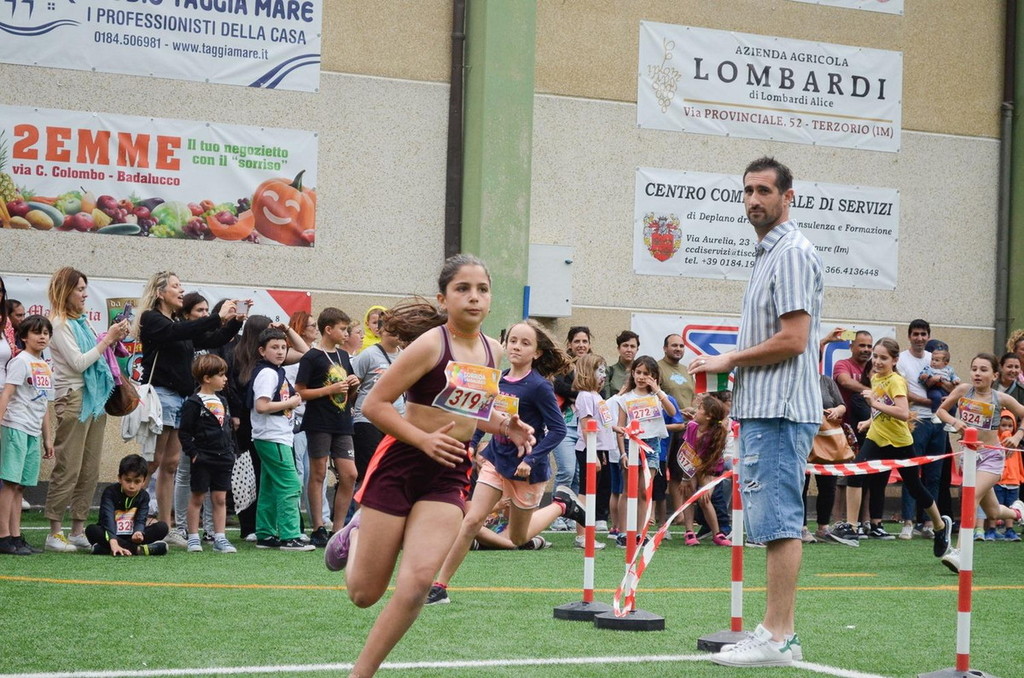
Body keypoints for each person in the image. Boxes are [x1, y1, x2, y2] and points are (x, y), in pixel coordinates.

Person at [323, 254, 535, 678]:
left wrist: (504, 426)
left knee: (419, 583)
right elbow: (375, 405)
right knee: (364, 594)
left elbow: (471, 410)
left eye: (482, 289)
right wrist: (422, 439)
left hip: (450, 469)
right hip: (402, 462)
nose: (474, 297)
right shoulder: (430, 345)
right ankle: (355, 532)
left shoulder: (493, 351)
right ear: (444, 298)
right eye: (463, 289)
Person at [690, 157, 821, 667]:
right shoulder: (770, 253)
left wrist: (729, 359)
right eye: (747, 191)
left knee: (781, 522)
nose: (753, 200)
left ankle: (778, 637)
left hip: (781, 410)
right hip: (767, 407)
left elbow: (794, 339)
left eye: (764, 190)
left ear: (788, 196)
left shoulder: (790, 253)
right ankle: (776, 633)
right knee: (773, 522)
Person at [427, 319, 575, 605]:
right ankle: (439, 586)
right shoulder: (496, 380)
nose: (516, 347)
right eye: (513, 341)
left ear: (537, 353)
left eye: (525, 343)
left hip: (526, 471)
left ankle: (561, 505)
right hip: (496, 460)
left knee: (516, 538)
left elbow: (557, 430)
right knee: (471, 521)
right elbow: (483, 414)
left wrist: (532, 458)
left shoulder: (539, 387)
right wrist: (472, 444)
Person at [135, 271, 244, 545]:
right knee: (154, 461)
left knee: (170, 464)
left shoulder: (176, 322)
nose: (181, 290)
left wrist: (235, 322)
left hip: (181, 398)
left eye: (181, 285)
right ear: (160, 292)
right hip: (162, 396)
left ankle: (165, 525)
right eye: (175, 286)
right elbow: (179, 332)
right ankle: (131, 515)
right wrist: (217, 317)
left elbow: (210, 339)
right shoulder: (152, 319)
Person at [44, 268, 130, 552]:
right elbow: (79, 363)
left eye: (85, 289)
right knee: (68, 466)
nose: (84, 294)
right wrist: (107, 339)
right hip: (74, 397)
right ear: (65, 290)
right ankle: (54, 532)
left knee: (90, 467)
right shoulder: (58, 323)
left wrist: (113, 338)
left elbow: (97, 354)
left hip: (95, 398)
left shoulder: (82, 321)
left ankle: (78, 529)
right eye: (79, 289)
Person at [936, 353, 1024, 572]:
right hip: (968, 457)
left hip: (992, 458)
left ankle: (960, 552)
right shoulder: (963, 390)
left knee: (970, 495)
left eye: (983, 370)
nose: (977, 373)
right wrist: (955, 421)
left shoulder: (1000, 398)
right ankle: (1018, 513)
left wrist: (1017, 436)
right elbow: (941, 410)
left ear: (994, 375)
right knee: (993, 512)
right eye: (974, 368)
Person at [296, 308, 360, 546]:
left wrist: (353, 385)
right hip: (319, 421)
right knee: (319, 473)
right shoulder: (312, 357)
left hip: (342, 423)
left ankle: (338, 529)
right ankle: (318, 527)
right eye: (342, 329)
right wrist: (329, 390)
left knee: (350, 474)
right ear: (328, 329)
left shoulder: (343, 356)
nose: (346, 333)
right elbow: (300, 392)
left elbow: (348, 395)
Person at [246, 327, 313, 551]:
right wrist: (291, 403)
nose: (280, 351)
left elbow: (306, 353)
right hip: (272, 436)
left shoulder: (274, 370)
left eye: (283, 347)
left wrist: (289, 331)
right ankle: (290, 536)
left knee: (269, 487)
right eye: (274, 347)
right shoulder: (268, 373)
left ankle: (265, 534)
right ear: (262, 351)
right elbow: (261, 406)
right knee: (290, 484)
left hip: (273, 436)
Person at [0, 315, 55, 555]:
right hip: (16, 425)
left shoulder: (44, 365)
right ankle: (3, 536)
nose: (42, 337)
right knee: (10, 483)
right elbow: (8, 393)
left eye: (46, 333)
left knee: (20, 486)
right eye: (36, 332)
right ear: (24, 336)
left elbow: (43, 404)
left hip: (33, 430)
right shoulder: (20, 361)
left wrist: (47, 438)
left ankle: (16, 536)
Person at [178, 353, 238, 554]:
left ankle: (219, 537)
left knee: (220, 498)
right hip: (203, 458)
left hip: (224, 457)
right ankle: (193, 537)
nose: (225, 379)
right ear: (207, 378)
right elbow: (184, 432)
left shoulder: (223, 400)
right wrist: (193, 453)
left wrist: (231, 450)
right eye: (221, 375)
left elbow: (227, 428)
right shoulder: (193, 403)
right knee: (197, 497)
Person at [615, 355, 675, 548]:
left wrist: (657, 390)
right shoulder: (625, 398)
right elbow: (620, 427)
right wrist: (622, 453)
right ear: (633, 373)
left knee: (644, 490)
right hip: (630, 445)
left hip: (651, 446)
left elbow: (672, 412)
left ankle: (641, 532)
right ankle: (623, 532)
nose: (641, 377)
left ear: (654, 376)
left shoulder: (657, 397)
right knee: (627, 490)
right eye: (638, 372)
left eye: (646, 374)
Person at [173, 292, 216, 543]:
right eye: (199, 310)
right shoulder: (180, 336)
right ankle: (181, 526)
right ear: (186, 313)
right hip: (189, 407)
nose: (204, 315)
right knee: (184, 471)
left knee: (211, 472)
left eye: (207, 311)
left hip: (213, 411)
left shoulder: (210, 337)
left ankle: (211, 529)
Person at [896, 321, 944, 539]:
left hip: (938, 421)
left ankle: (928, 523)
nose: (919, 338)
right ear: (909, 336)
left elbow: (948, 383)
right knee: (911, 473)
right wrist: (929, 402)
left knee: (934, 475)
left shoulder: (934, 358)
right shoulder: (902, 360)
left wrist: (944, 399)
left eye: (923, 334)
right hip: (915, 420)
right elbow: (902, 392)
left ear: (928, 336)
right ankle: (907, 521)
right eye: (915, 334)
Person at [351, 314, 404, 484]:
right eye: (391, 329)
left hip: (396, 421)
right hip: (368, 421)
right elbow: (352, 386)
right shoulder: (368, 355)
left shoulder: (406, 356)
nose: (396, 333)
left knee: (392, 472)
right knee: (368, 473)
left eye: (399, 329)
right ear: (380, 330)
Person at [550, 326, 593, 530]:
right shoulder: (561, 365)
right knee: (566, 470)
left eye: (585, 341)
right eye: (577, 341)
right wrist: (582, 394)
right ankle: (555, 514)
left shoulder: (593, 364)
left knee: (577, 474)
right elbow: (558, 386)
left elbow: (599, 391)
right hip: (564, 424)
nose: (581, 345)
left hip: (585, 426)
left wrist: (578, 394)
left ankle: (571, 514)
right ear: (569, 344)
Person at [84, 454, 168, 556]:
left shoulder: (144, 496)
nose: (132, 486)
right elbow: (107, 518)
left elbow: (141, 519)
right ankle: (138, 550)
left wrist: (138, 532)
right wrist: (113, 540)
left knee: (162, 527)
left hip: (132, 537)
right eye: (128, 480)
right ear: (120, 478)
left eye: (137, 481)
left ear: (143, 481)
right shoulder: (110, 492)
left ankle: (105, 549)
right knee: (91, 530)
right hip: (111, 534)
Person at [676, 394, 731, 546]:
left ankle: (717, 533)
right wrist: (686, 478)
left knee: (704, 499)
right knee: (688, 493)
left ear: (708, 416)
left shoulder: (716, 434)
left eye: (699, 409)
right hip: (691, 467)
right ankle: (689, 532)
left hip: (708, 469)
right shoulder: (692, 427)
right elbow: (687, 452)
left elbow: (710, 461)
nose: (696, 411)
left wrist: (705, 485)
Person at [993, 409, 1022, 540]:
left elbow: (1019, 462)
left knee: (1012, 506)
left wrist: (1020, 476)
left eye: (1010, 426)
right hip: (1000, 480)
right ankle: (993, 528)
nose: (1007, 428)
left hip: (1013, 481)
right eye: (1003, 425)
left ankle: (1009, 529)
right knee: (997, 504)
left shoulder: (1015, 444)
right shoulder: (996, 442)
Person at [658, 333, 695, 418]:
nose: (678, 349)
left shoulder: (687, 370)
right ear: (665, 348)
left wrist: (693, 410)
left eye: (681, 346)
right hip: (669, 423)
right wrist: (680, 412)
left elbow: (695, 396)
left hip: (689, 423)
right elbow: (654, 399)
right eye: (674, 345)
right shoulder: (656, 368)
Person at [919, 347, 960, 414]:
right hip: (934, 389)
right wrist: (923, 376)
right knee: (937, 397)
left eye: (937, 360)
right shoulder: (929, 368)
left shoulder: (949, 369)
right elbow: (923, 374)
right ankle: (935, 413)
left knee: (952, 403)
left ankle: (951, 417)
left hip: (945, 391)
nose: (933, 362)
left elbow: (953, 376)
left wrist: (956, 380)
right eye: (932, 359)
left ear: (946, 363)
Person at [603, 330, 638, 399]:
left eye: (632, 346)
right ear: (618, 348)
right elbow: (607, 400)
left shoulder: (642, 372)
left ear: (637, 350)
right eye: (625, 346)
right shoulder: (609, 371)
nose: (629, 350)